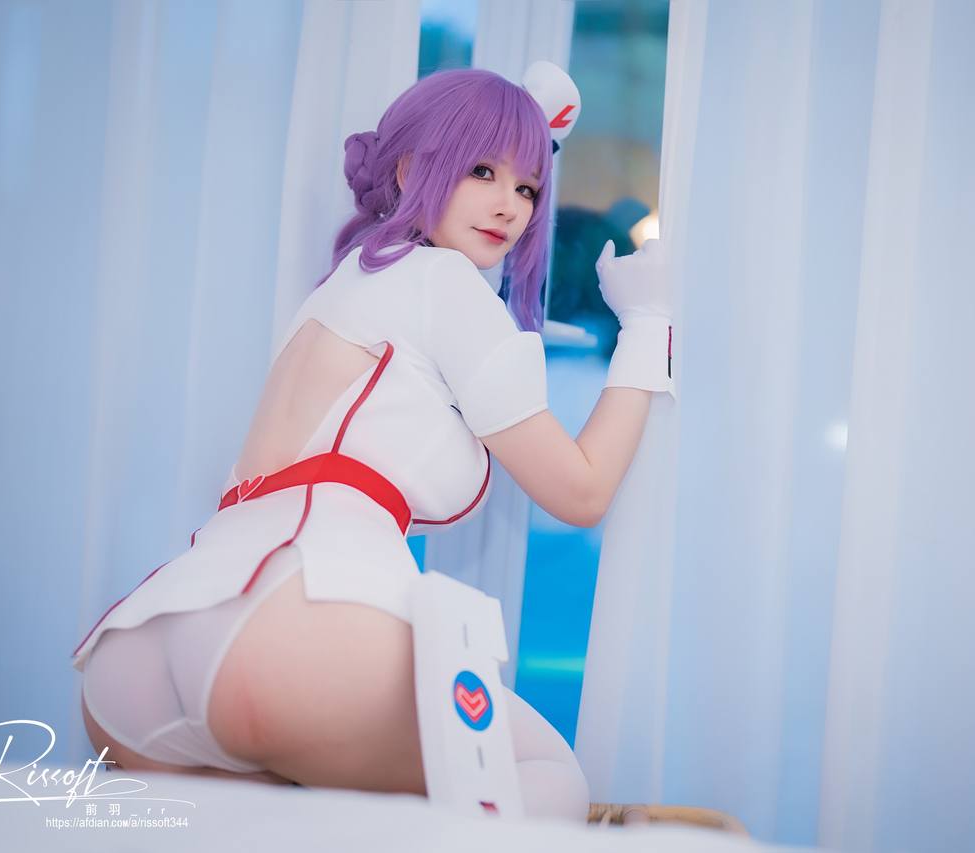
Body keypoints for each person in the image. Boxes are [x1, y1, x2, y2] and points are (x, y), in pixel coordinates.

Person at [71, 68, 674, 822]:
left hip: (140, 660)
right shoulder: (448, 284)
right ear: (411, 170)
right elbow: (580, 491)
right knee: (547, 773)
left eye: (527, 186)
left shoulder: (342, 286)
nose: (510, 206)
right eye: (481, 170)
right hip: (296, 626)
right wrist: (647, 324)